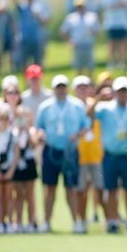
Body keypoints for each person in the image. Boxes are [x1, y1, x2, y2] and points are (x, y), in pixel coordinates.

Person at [35, 74, 90, 233]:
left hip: (71, 151)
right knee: (49, 188)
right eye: (58, 87)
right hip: (51, 150)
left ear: (67, 88)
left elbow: (86, 126)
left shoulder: (77, 105)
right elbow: (39, 126)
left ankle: (76, 222)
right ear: (53, 89)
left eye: (63, 87)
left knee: (71, 189)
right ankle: (46, 222)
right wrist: (40, 134)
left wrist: (77, 135)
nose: (61, 90)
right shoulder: (45, 107)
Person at [90, 76, 127, 234]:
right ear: (114, 92)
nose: (122, 94)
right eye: (119, 91)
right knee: (110, 190)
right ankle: (112, 221)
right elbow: (89, 113)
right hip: (110, 155)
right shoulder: (105, 107)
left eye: (124, 91)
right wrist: (98, 98)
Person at [73, 75, 103, 233]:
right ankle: (82, 221)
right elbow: (86, 113)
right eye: (80, 87)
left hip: (96, 154)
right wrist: (99, 97)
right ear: (75, 90)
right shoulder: (72, 106)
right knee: (81, 191)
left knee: (100, 189)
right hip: (79, 156)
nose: (83, 90)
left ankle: (108, 221)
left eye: (86, 86)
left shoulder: (95, 103)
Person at [12, 105, 38, 233]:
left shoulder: (32, 130)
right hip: (17, 163)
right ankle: (19, 222)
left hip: (29, 162)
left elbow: (33, 145)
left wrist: (26, 130)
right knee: (18, 195)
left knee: (30, 194)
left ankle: (32, 221)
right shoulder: (13, 132)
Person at [0, 106, 19, 234]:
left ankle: (9, 222)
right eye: (1, 118)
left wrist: (11, 170)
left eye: (6, 118)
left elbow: (16, 153)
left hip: (9, 168)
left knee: (9, 197)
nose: (4, 121)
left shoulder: (13, 134)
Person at [60, 0, 99, 76]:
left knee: (90, 67)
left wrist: (92, 33)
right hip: (77, 46)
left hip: (88, 44)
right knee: (78, 68)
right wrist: (68, 42)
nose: (80, 8)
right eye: (78, 6)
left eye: (82, 6)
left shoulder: (92, 16)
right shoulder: (71, 17)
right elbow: (63, 31)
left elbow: (97, 31)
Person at [12, 0, 51, 69]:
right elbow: (14, 1)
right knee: (24, 63)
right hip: (24, 39)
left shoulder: (39, 7)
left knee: (38, 62)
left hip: (37, 39)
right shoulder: (22, 7)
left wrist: (38, 16)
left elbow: (46, 21)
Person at [100, 0, 127, 70]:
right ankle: (111, 62)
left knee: (123, 44)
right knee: (111, 44)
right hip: (111, 24)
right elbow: (106, 7)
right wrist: (118, 5)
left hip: (123, 23)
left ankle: (122, 62)